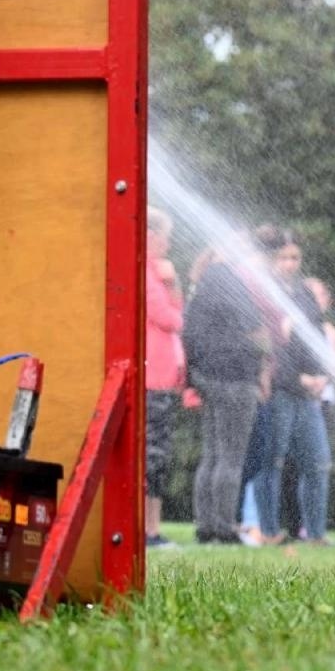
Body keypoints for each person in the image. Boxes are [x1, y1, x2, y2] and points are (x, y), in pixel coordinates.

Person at [183, 234, 268, 545]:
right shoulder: (229, 279)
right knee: (231, 457)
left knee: (212, 454)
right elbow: (254, 326)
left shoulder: (203, 281)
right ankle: (224, 527)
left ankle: (206, 526)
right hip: (234, 377)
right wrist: (264, 358)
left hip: (207, 377)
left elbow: (190, 331)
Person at [252, 227, 333, 545]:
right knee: (271, 461)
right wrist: (294, 377)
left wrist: (322, 375)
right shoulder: (264, 291)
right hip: (281, 390)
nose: (290, 263)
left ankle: (316, 534)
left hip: (309, 392)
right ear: (274, 259)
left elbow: (319, 335)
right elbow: (269, 344)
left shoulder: (305, 292)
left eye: (295, 257)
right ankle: (269, 532)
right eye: (284, 257)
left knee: (318, 462)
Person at [143, 207, 184, 549]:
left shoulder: (156, 274)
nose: (168, 244)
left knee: (158, 455)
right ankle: (148, 530)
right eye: (165, 236)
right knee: (152, 455)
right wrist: (170, 283)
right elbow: (170, 318)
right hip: (152, 378)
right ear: (151, 235)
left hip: (163, 378)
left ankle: (152, 528)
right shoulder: (148, 274)